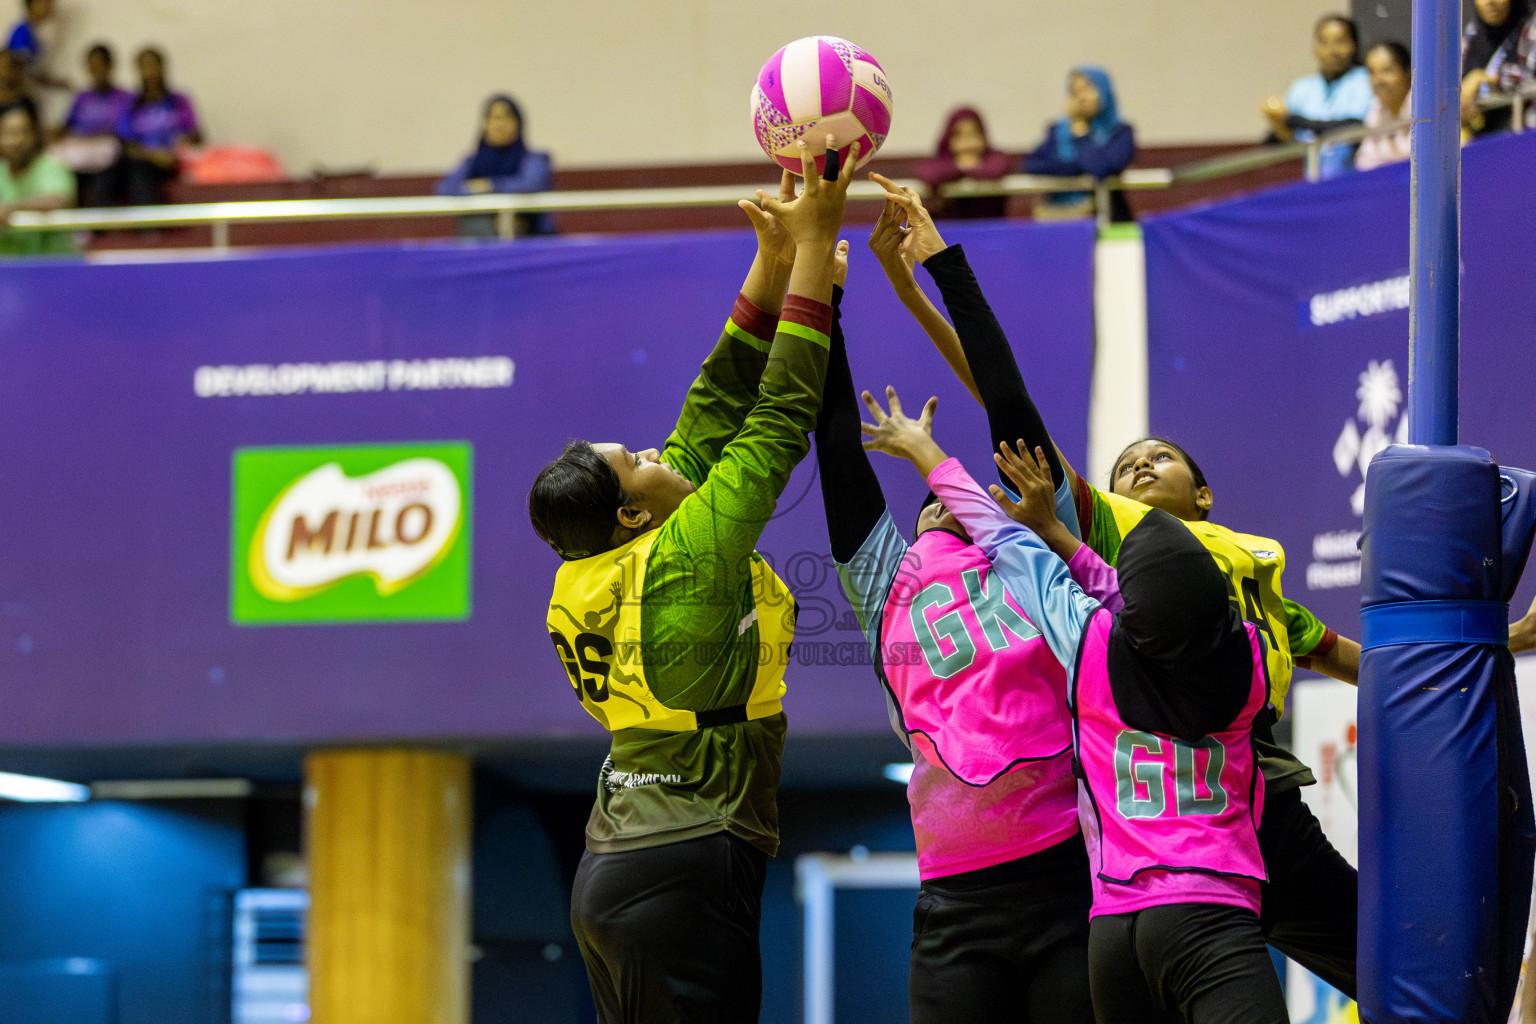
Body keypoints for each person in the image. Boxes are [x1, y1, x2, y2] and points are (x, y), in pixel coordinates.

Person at [526, 139, 855, 1024]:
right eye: (637, 461)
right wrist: (819, 253)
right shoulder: (685, 556)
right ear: (633, 512)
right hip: (684, 860)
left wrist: (772, 259)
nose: (655, 451)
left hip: (624, 860)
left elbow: (712, 406)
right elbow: (779, 416)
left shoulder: (606, 558)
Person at [860, 397, 1289, 1024]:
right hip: (1209, 910)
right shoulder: (1251, 674)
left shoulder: (1093, 655)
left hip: (1113, 924)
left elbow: (1029, 557)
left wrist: (931, 457)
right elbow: (1135, 600)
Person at [811, 194, 1093, 1024]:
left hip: (1070, 880)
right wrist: (826, 298)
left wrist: (946, 264)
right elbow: (835, 449)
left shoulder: (1040, 554)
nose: (935, 500)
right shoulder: (888, 585)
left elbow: (1012, 406)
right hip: (954, 907)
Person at [1262, 15, 1373, 179]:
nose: (1332, 50)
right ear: (1314, 47)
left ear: (1354, 45)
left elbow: (1355, 126)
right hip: (1314, 182)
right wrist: (1278, 122)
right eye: (1324, 42)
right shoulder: (1302, 88)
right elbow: (1273, 141)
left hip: (1356, 180)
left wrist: (1292, 120)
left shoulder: (1366, 81)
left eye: (1340, 41)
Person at [1023, 67, 1134, 222]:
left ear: (1104, 92)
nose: (1081, 98)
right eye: (1074, 91)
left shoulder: (1120, 132)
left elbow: (1099, 168)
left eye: (1087, 89)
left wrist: (1081, 132)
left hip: (1108, 219)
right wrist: (1077, 168)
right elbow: (1031, 165)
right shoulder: (1057, 131)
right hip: (1061, 219)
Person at [436, 94, 553, 238]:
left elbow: (530, 184)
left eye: (506, 117)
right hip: (480, 243)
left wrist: (490, 186)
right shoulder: (472, 163)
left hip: (530, 238)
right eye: (493, 118)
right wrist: (476, 189)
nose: (499, 125)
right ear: (485, 124)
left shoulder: (533, 160)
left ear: (518, 124)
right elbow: (446, 188)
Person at [116, 46, 201, 206]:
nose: (149, 72)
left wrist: (178, 148)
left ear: (162, 67)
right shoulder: (130, 105)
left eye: (153, 65)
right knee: (138, 171)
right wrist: (154, 156)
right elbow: (127, 145)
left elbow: (194, 136)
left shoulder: (179, 101)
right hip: (143, 162)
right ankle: (149, 226)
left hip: (175, 161)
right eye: (144, 66)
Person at [55, 43, 132, 206]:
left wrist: (92, 134)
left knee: (103, 185)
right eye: (91, 66)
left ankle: (99, 229)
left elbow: (123, 131)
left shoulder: (124, 97)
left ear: (110, 66)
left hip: (109, 159)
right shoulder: (82, 98)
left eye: (100, 65)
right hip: (79, 156)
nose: (96, 71)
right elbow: (67, 126)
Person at [0, 101, 73, 256]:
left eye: (23, 132)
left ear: (35, 135)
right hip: (8, 273)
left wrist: (10, 208)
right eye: (9, 133)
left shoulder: (52, 167)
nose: (16, 141)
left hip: (53, 269)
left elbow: (56, 200)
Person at [916, 107, 1011, 220]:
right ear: (949, 139)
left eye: (973, 134)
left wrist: (970, 168)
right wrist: (960, 168)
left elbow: (996, 169)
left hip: (989, 226)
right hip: (948, 230)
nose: (967, 141)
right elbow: (929, 175)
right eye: (959, 135)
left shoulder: (994, 159)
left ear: (983, 137)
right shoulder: (940, 163)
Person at [1460, 0, 1534, 136]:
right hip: (1482, 146)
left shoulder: (1531, 30)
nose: (1490, 2)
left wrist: (1485, 82)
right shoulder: (1470, 37)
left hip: (1525, 141)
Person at [1356, 41, 1412, 171]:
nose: (1379, 80)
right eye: (1372, 72)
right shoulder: (1375, 110)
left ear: (1407, 72)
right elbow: (1364, 163)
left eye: (1387, 70)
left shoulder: (1425, 107)